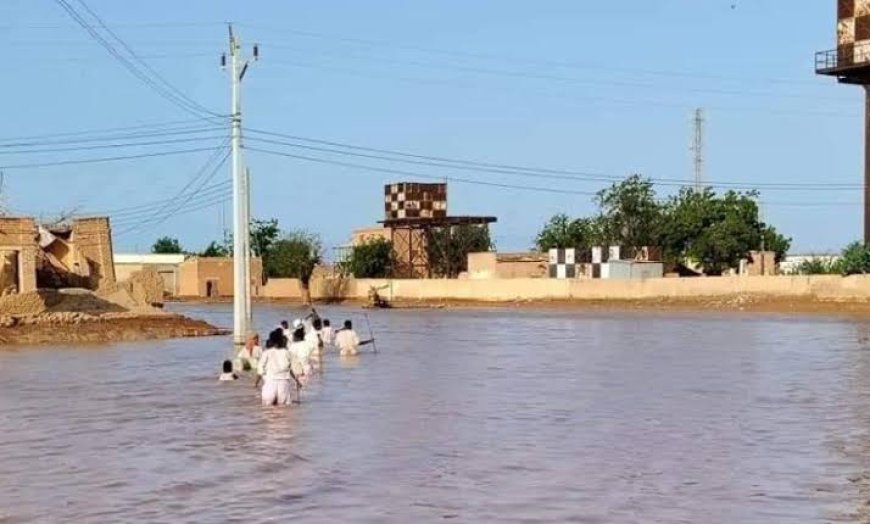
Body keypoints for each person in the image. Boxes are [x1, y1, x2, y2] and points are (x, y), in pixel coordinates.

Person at [256, 329, 301, 406]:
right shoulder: (288, 353)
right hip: (284, 385)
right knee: (283, 415)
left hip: (269, 384)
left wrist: (256, 383)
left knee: (268, 414)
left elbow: (260, 370)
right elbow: (296, 370)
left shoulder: (266, 353)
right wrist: (297, 382)